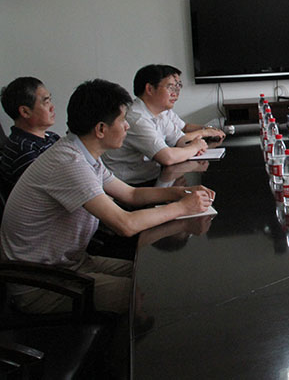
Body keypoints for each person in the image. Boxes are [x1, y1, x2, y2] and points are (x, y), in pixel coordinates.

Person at [0, 79, 214, 315]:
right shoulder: (69, 163)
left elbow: (131, 194)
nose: (127, 127)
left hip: (73, 263)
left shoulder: (82, 152)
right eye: (122, 121)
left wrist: (180, 192)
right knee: (149, 290)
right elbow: (125, 224)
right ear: (101, 129)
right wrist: (183, 208)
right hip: (42, 284)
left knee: (157, 273)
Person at [103, 64, 225, 184]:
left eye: (178, 87)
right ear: (150, 89)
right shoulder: (137, 119)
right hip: (129, 185)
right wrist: (194, 147)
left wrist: (195, 145)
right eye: (170, 87)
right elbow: (167, 157)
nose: (175, 93)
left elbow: (180, 140)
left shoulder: (160, 114)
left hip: (153, 177)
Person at [0, 76, 60, 199]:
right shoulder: (22, 149)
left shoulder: (52, 137)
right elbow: (53, 191)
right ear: (25, 112)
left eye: (50, 100)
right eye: (46, 102)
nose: (52, 107)